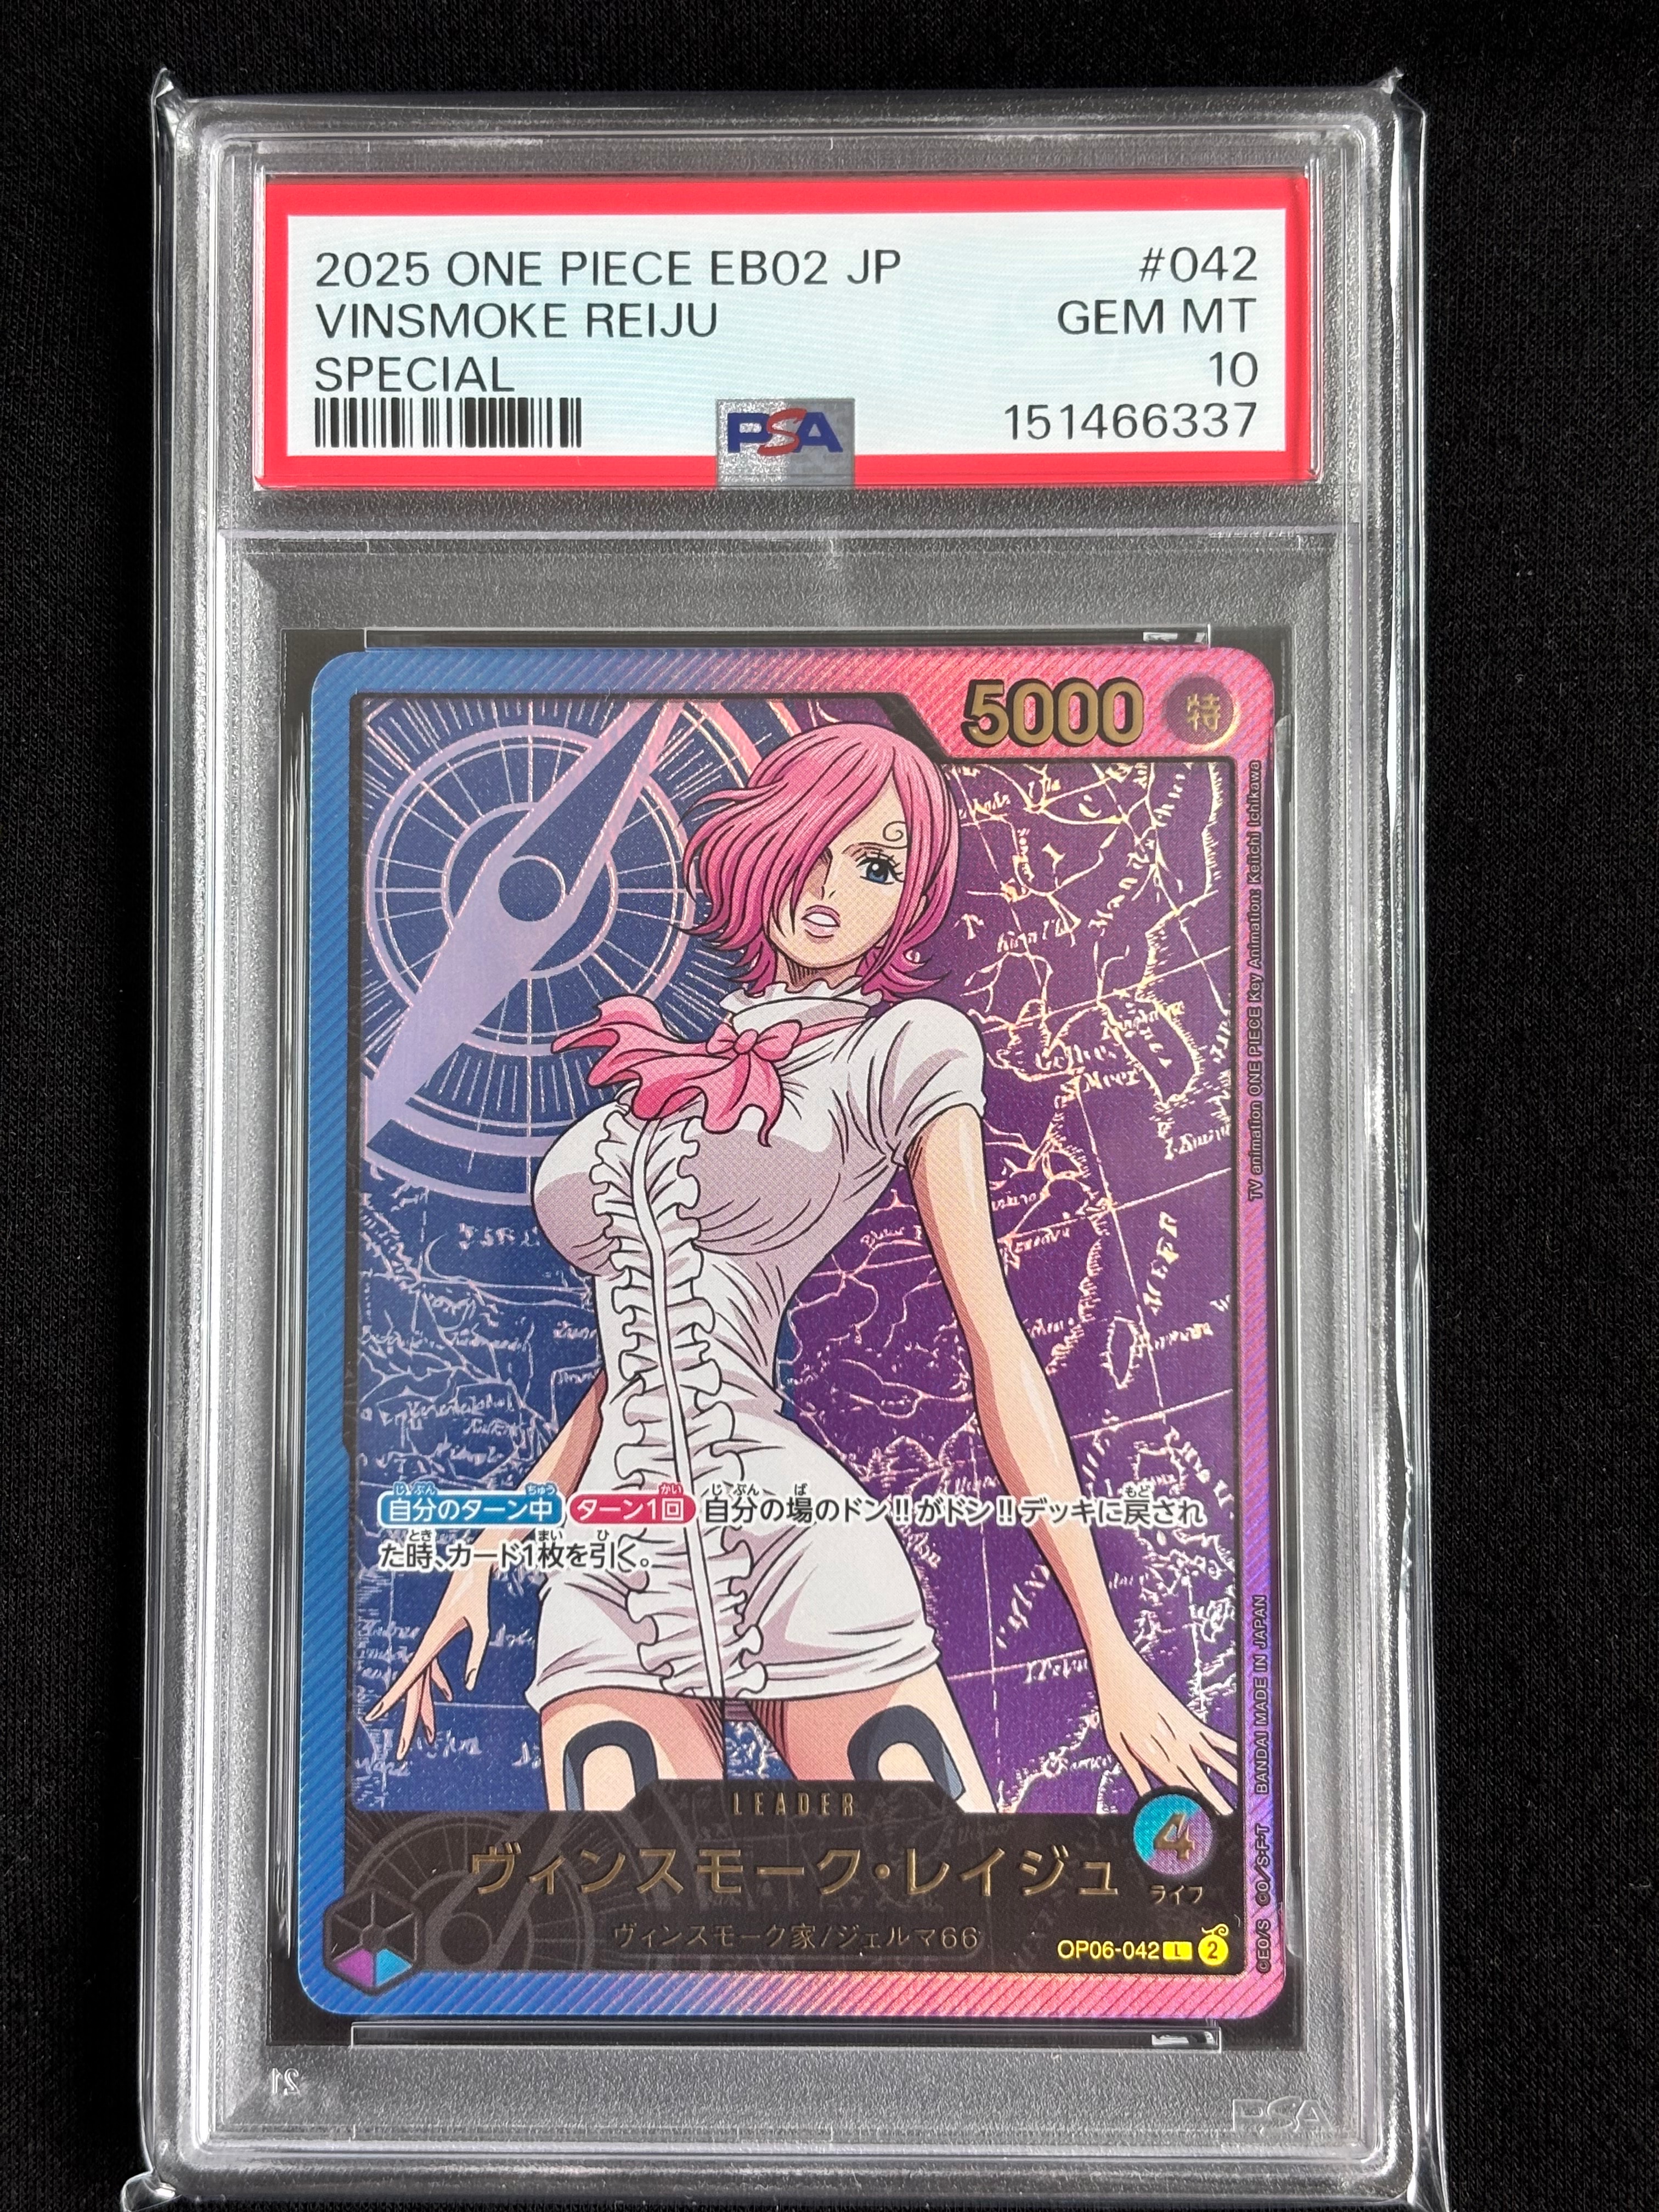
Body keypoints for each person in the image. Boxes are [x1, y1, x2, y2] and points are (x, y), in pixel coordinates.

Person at [370, 721, 1236, 1816]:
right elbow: (626, 1375)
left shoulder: (903, 1047)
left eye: (876, 864)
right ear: (762, 842)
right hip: (609, 1566)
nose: (831, 887)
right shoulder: (671, 1072)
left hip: (797, 1543)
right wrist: (486, 1556)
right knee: (626, 1910)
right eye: (811, 843)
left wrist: (1107, 1645)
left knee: (940, 1891)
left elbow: (994, 1337)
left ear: (911, 894)